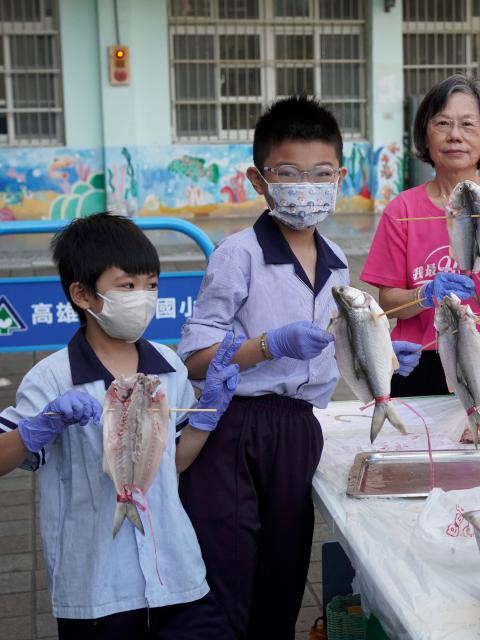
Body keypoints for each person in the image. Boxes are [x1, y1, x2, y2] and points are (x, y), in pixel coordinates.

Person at [175, 95, 420, 640]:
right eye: (289, 173)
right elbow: (195, 360)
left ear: (340, 177)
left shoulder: (335, 259)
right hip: (233, 428)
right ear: (259, 180)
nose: (305, 187)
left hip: (299, 429)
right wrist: (267, 345)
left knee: (284, 573)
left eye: (321, 174)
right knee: (227, 573)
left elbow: (325, 347)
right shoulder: (237, 254)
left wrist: (379, 358)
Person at [0, 212, 239, 639]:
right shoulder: (51, 377)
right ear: (83, 295)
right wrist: (38, 427)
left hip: (177, 574)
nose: (144, 297)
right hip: (97, 587)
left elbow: (173, 463)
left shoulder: (170, 366)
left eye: (151, 285)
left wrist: (206, 416)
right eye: (127, 286)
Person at [361, 74, 480, 395]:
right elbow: (387, 305)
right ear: (425, 134)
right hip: (419, 363)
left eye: (468, 125)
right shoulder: (402, 210)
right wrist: (424, 294)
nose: (455, 135)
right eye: (443, 123)